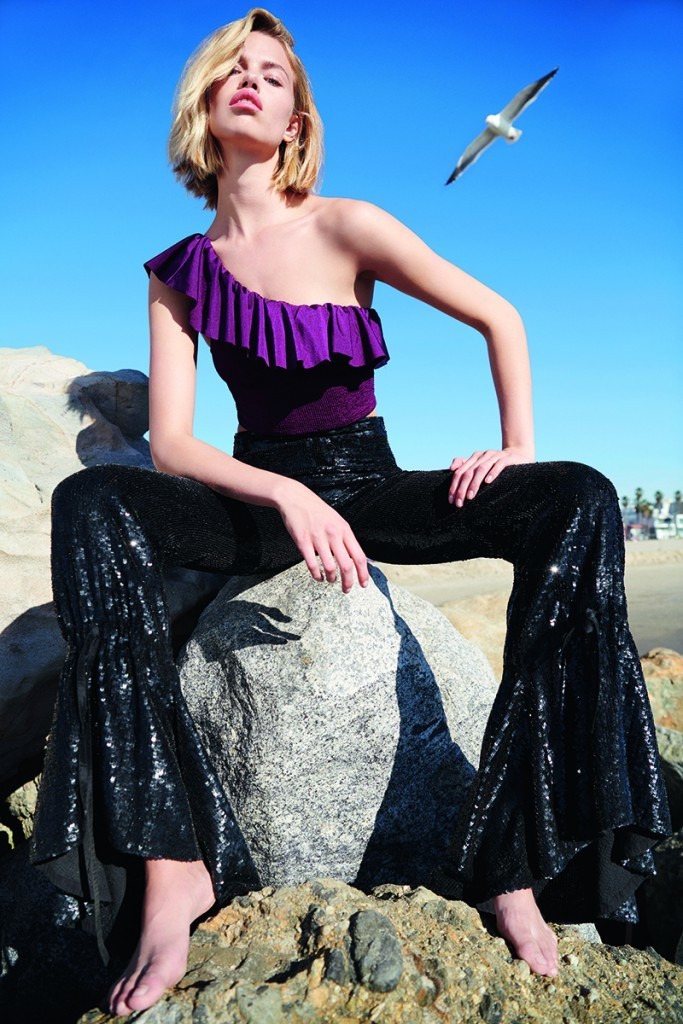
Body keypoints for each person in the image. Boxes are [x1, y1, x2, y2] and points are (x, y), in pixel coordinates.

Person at [28, 7, 671, 1018]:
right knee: (90, 503)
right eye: (232, 68)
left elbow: (498, 316)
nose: (251, 80)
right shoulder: (177, 272)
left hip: (372, 487)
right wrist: (284, 491)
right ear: (204, 99)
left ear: (296, 119)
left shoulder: (346, 224)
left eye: (273, 74)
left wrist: (515, 446)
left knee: (577, 498)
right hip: (258, 501)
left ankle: (509, 862)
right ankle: (170, 863)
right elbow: (177, 445)